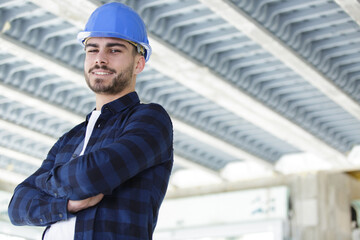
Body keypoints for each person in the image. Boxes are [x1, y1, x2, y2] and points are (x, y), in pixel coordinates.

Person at [7, 2, 173, 240]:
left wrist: (44, 182)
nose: (100, 59)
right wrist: (65, 206)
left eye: (114, 50)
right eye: (92, 49)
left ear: (139, 63)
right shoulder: (71, 138)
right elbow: (17, 207)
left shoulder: (151, 119)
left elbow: (92, 176)